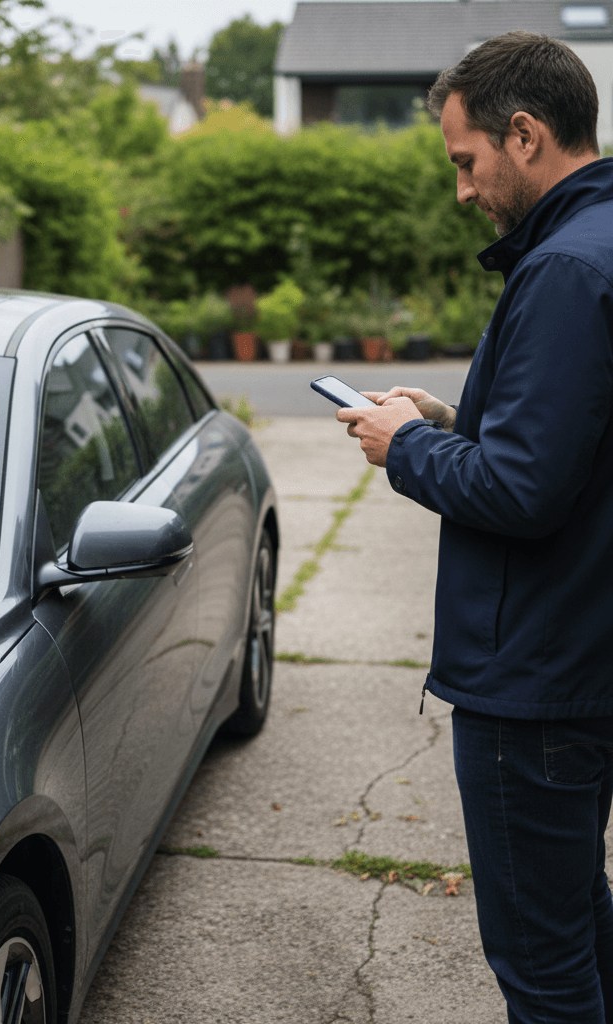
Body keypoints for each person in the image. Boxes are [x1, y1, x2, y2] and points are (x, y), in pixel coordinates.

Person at [336, 31, 613, 1023]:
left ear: (526, 134)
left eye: (466, 161)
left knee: (542, 968)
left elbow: (526, 492)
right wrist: (451, 424)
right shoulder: (601, 244)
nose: (461, 190)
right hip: (582, 658)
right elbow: (578, 449)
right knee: (577, 921)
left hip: (531, 682)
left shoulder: (564, 270)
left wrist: (403, 447)